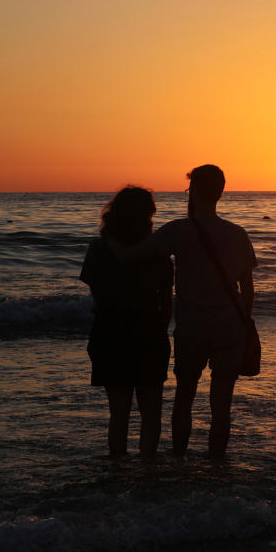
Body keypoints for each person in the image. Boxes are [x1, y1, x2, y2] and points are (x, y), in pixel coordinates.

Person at [107, 165, 256, 457]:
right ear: (221, 193)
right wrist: (244, 322)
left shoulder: (178, 231)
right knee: (221, 404)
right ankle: (216, 464)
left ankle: (179, 460)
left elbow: (130, 256)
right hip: (229, 327)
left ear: (194, 191)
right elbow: (248, 289)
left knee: (184, 398)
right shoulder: (238, 234)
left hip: (192, 328)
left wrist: (107, 236)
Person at [79, 186, 172, 458]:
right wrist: (159, 331)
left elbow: (96, 296)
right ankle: (147, 469)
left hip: (109, 330)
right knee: (151, 411)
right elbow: (167, 303)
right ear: (147, 215)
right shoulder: (157, 252)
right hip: (148, 330)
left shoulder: (97, 248)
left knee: (118, 411)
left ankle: (117, 468)